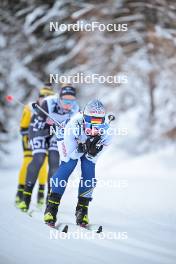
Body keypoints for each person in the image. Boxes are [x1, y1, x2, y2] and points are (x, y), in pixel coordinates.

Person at [44, 99, 112, 226]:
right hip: (67, 138)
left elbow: (93, 159)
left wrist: (92, 152)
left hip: (83, 144)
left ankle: (82, 210)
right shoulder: (74, 125)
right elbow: (71, 154)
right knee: (68, 165)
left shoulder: (107, 132)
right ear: (84, 117)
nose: (95, 126)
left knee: (89, 170)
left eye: (99, 121)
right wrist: (84, 147)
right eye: (92, 120)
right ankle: (51, 208)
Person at [19, 85, 79, 212]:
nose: (68, 104)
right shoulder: (49, 103)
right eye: (65, 101)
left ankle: (49, 200)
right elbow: (37, 124)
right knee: (39, 158)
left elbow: (73, 129)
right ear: (59, 98)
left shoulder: (75, 109)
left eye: (71, 101)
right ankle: (26, 198)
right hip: (38, 130)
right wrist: (48, 124)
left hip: (55, 135)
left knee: (54, 161)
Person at [15, 86, 54, 207]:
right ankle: (20, 192)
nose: (45, 99)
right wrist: (32, 133)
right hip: (29, 136)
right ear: (39, 97)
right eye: (43, 96)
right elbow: (23, 128)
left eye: (48, 97)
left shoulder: (52, 108)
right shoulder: (30, 107)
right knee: (28, 161)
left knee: (43, 162)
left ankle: (41, 194)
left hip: (44, 137)